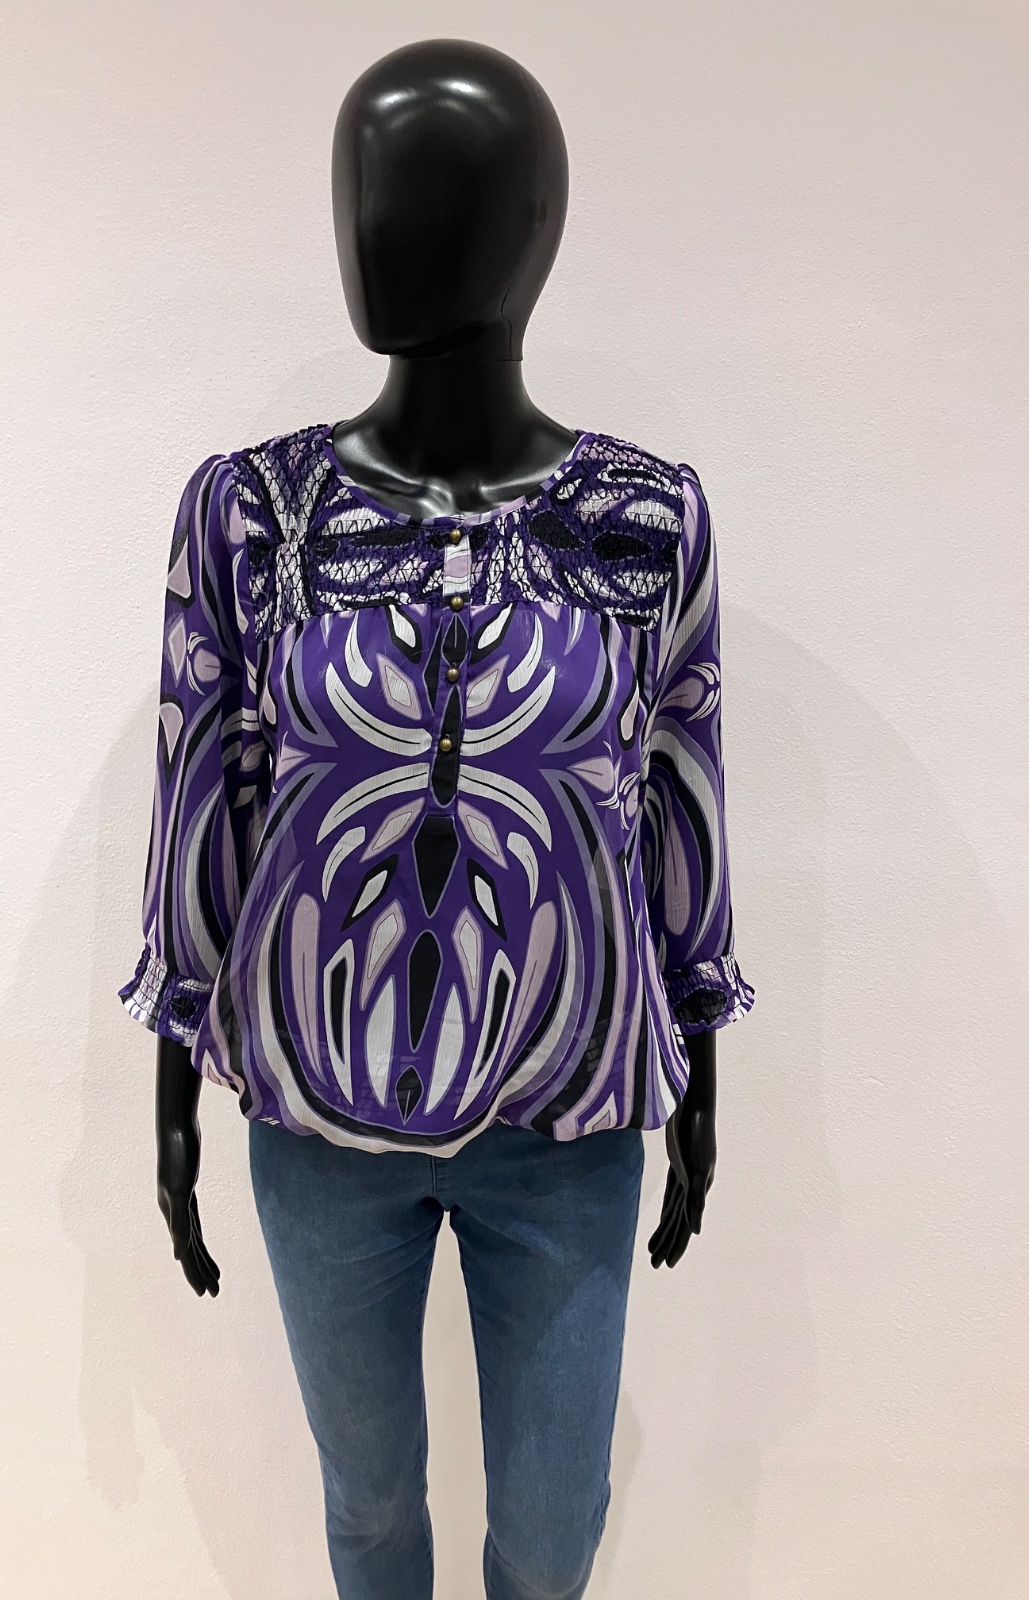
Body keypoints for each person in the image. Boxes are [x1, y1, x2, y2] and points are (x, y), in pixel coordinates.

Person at [119, 38, 754, 1600]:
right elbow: (202, 794)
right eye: (360, 190)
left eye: (420, 198)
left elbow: (681, 791)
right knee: (366, 1512)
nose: (373, 230)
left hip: (570, 1118)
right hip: (316, 1122)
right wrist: (174, 1081)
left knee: (551, 1528)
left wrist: (701, 1058)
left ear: (534, 228)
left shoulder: (645, 522)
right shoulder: (249, 515)